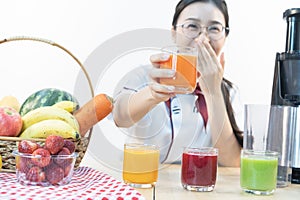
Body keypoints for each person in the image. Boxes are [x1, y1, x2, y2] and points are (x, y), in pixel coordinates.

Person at [112, 0, 243, 167]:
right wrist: (152, 94)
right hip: (142, 181)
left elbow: (232, 161)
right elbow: (119, 117)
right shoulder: (146, 75)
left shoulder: (229, 91)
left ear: (225, 37)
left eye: (214, 28)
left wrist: (213, 92)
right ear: (174, 33)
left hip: (197, 186)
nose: (203, 39)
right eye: (192, 26)